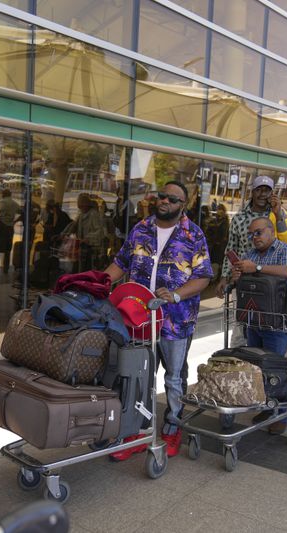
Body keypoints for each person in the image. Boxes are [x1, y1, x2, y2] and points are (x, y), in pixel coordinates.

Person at [104, 181, 213, 459]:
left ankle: (173, 427)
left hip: (175, 320)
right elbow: (121, 263)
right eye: (161, 196)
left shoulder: (194, 235)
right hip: (138, 318)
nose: (164, 201)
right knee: (138, 376)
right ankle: (138, 431)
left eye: (172, 199)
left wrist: (175, 295)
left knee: (173, 379)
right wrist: (100, 283)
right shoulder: (141, 228)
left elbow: (202, 277)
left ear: (183, 205)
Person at [228, 217, 287, 355]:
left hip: (277, 319)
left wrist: (257, 267)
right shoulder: (249, 255)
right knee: (255, 363)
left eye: (258, 232)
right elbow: (243, 284)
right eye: (251, 234)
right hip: (253, 318)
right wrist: (237, 278)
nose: (254, 237)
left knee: (272, 364)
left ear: (272, 231)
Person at [216, 175, 287, 298]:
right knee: (243, 315)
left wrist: (278, 214)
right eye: (258, 190)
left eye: (267, 190)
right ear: (252, 192)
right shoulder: (239, 218)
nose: (262, 194)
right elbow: (231, 249)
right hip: (244, 280)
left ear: (272, 194)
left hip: (272, 281)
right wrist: (224, 277)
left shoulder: (279, 214)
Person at [63, 193, 107, 272]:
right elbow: (73, 225)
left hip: (91, 247)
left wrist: (88, 238)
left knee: (88, 268)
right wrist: (65, 233)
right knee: (81, 268)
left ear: (86, 205)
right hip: (82, 246)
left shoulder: (93, 214)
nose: (80, 208)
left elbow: (100, 231)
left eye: (81, 206)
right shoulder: (82, 214)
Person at [0, 189, 19, 274]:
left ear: (4, 194)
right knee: (8, 250)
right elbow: (20, 211)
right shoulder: (15, 203)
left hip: (2, 226)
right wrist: (15, 221)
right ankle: (6, 269)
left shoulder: (3, 202)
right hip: (10, 227)